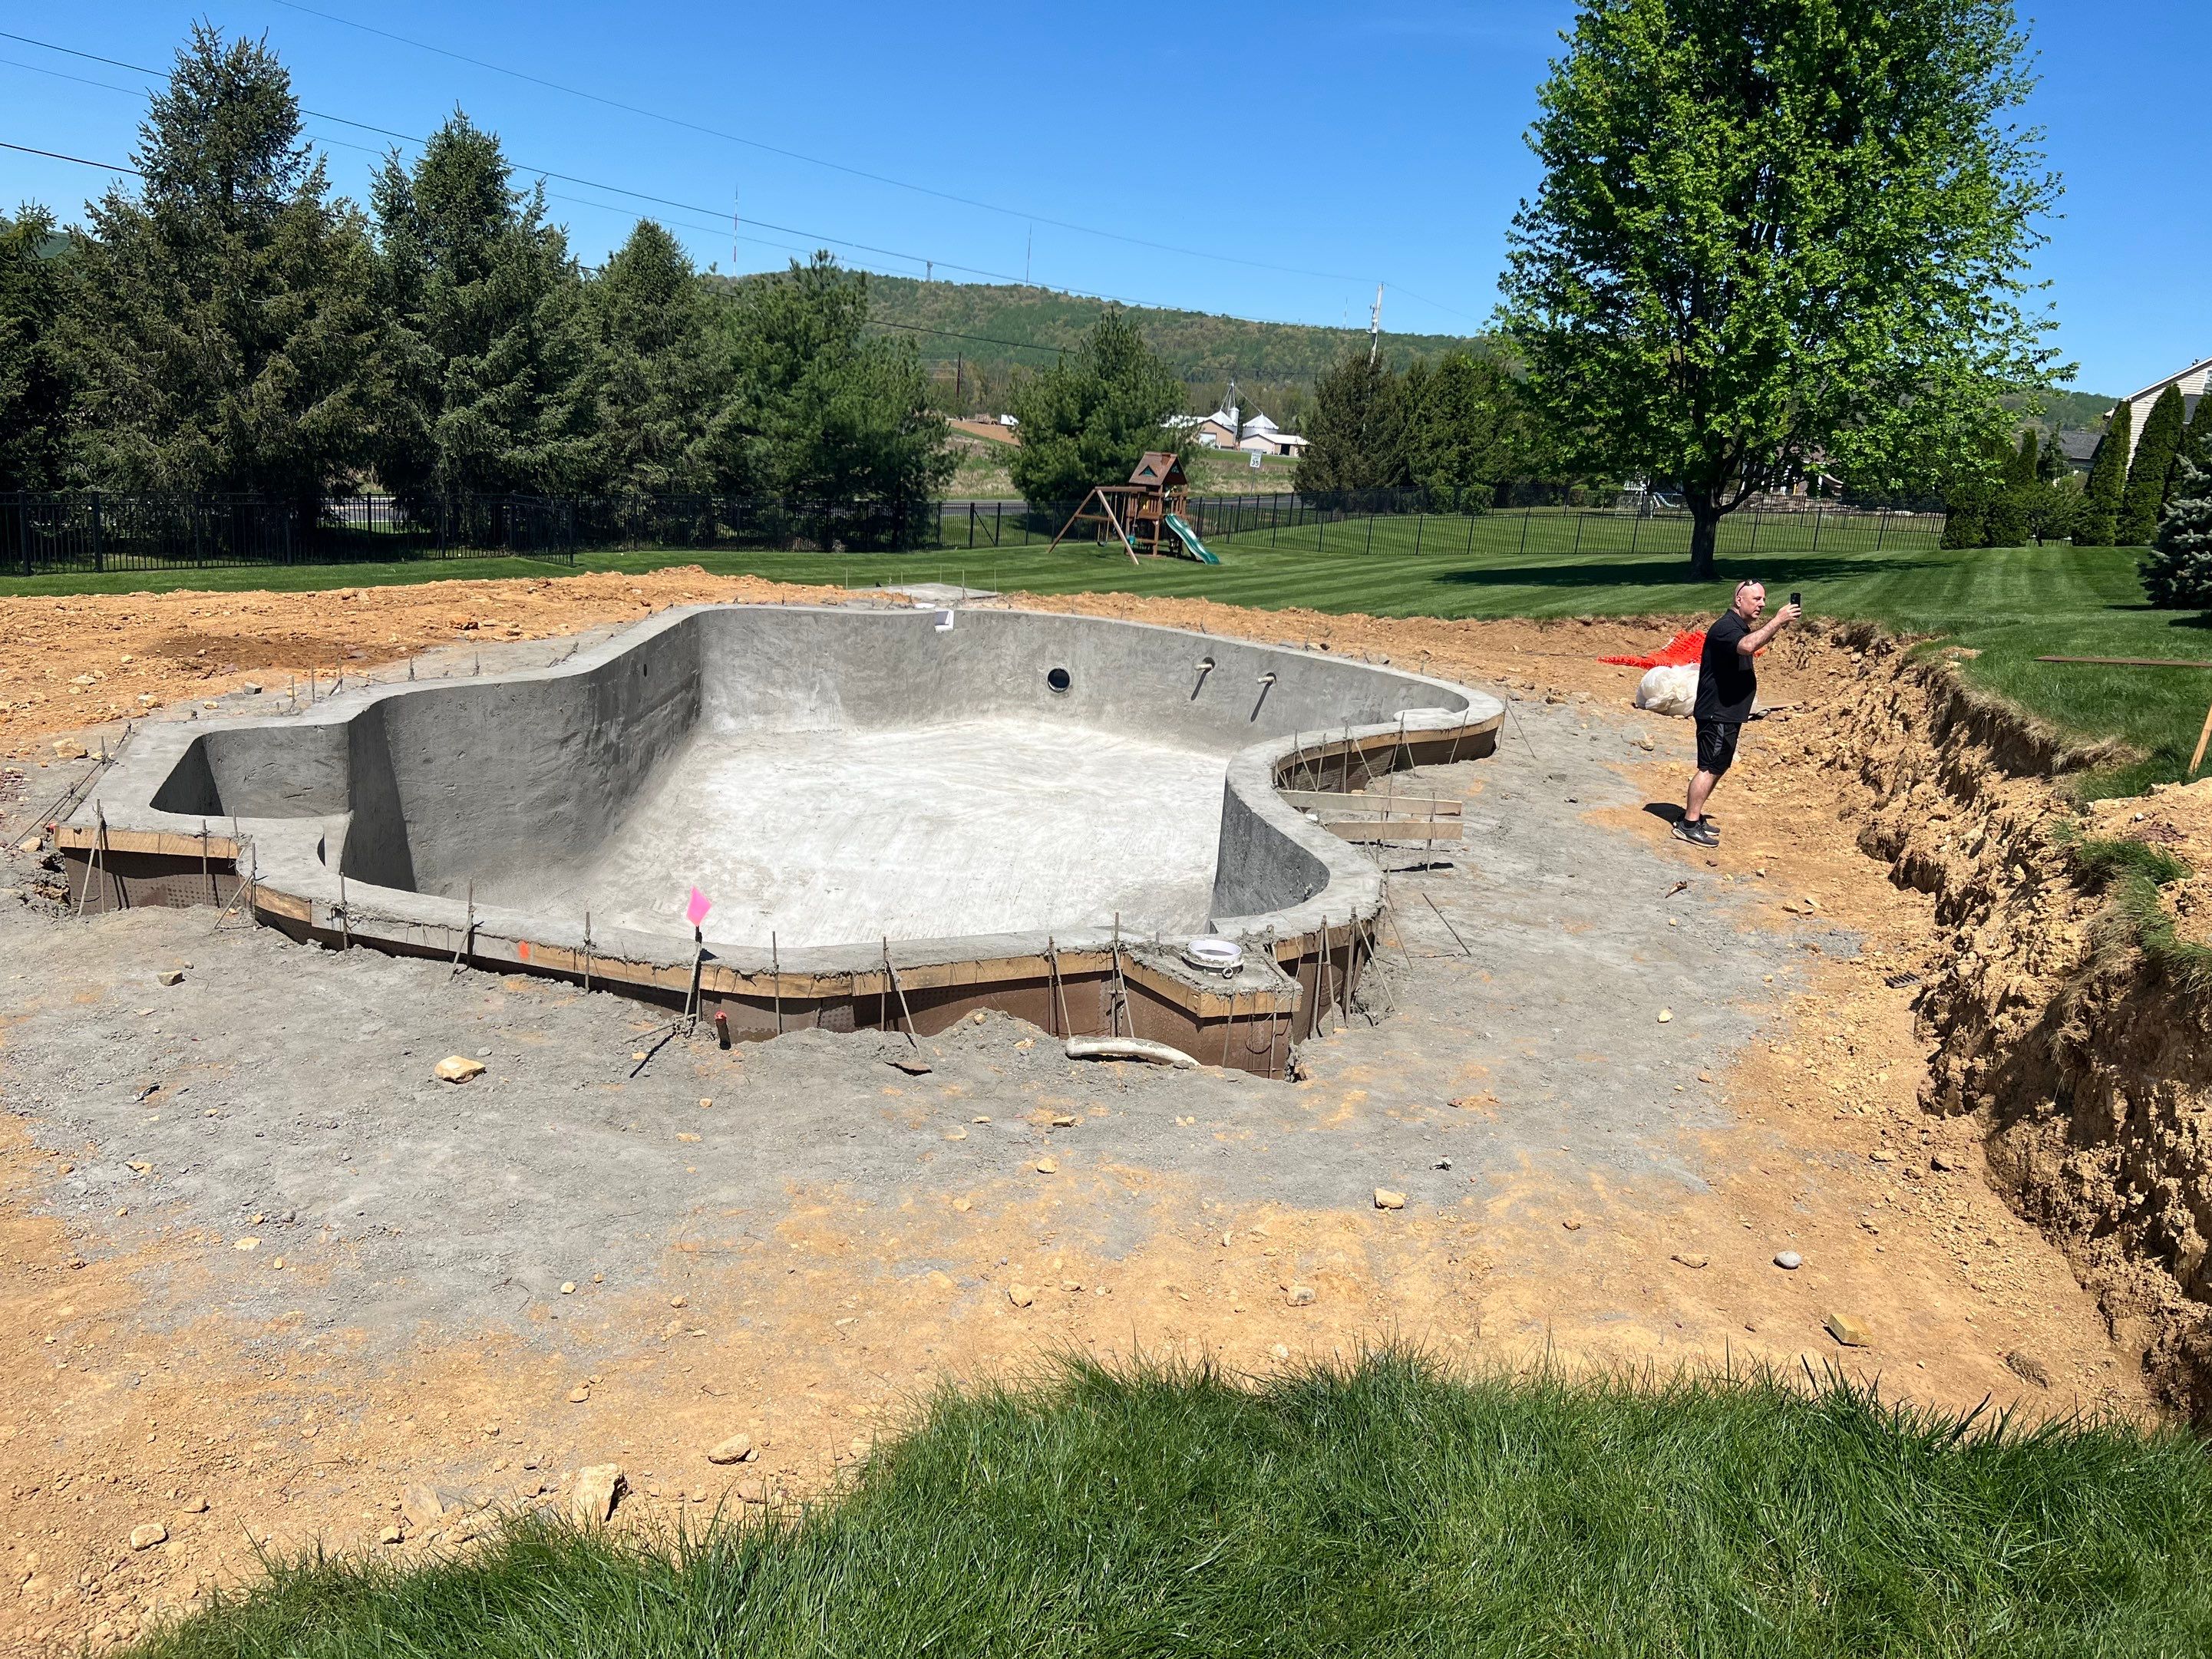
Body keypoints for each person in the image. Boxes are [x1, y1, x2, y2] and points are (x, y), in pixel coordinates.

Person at [1674, 579, 1799, 848]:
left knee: (1719, 766)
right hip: (1717, 712)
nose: (1763, 604)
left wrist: (1776, 626)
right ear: (1739, 600)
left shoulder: (1737, 627)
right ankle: (1688, 824)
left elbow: (1750, 642)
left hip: (1727, 712)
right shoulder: (1725, 628)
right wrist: (1777, 621)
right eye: (1757, 599)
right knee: (1709, 767)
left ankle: (1694, 817)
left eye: (1764, 600)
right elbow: (1746, 646)